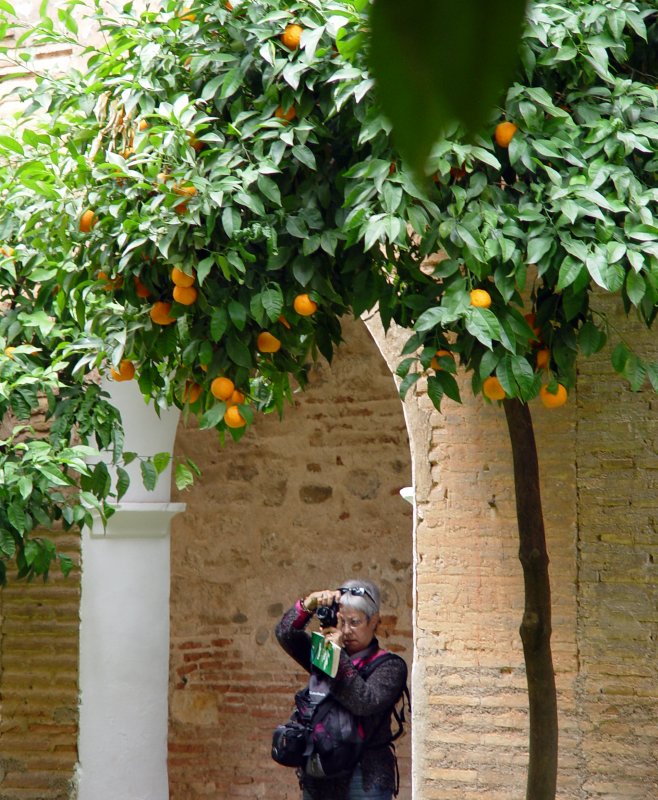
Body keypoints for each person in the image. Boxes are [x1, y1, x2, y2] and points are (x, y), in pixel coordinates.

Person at [275, 578, 408, 800]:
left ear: (374, 620)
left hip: (364, 775)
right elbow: (285, 634)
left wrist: (337, 656)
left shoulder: (390, 665)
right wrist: (309, 604)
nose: (346, 631)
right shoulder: (324, 653)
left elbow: (363, 702)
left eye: (355, 622)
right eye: (341, 621)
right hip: (320, 771)